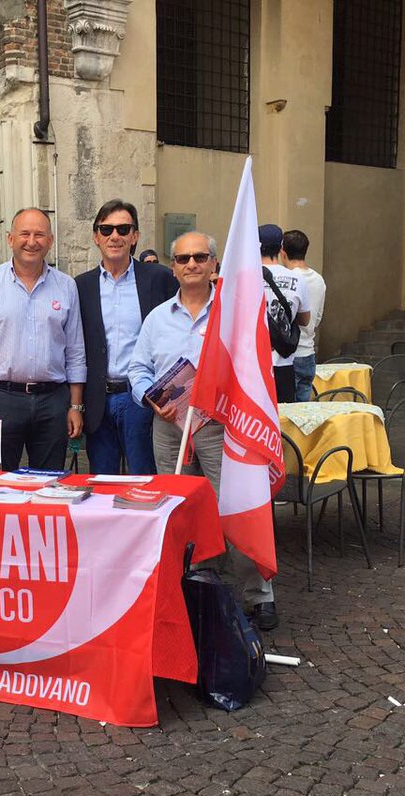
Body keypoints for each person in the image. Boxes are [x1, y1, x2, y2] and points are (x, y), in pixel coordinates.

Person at [128, 232, 279, 631]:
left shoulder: (234, 314)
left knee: (234, 506)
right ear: (172, 266)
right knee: (179, 512)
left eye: (199, 257)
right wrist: (149, 398)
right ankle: (197, 584)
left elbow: (252, 366)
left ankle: (258, 595)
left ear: (214, 263)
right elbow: (138, 369)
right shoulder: (157, 318)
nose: (191, 264)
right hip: (169, 428)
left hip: (221, 429)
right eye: (182, 258)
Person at [0, 207, 86, 471]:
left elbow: (75, 351)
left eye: (40, 234)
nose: (32, 241)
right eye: (24, 233)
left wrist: (75, 406)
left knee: (49, 483)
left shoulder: (66, 286)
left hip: (52, 402)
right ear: (10, 239)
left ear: (50, 241)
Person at [77, 199, 178, 475]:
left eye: (123, 229)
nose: (115, 236)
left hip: (140, 399)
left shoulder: (159, 279)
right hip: (98, 400)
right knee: (102, 482)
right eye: (106, 229)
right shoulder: (80, 286)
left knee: (145, 480)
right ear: (96, 236)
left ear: (134, 236)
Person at [260, 224, 310, 404]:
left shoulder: (245, 277)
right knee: (284, 421)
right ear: (281, 247)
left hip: (254, 365)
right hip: (283, 363)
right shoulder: (297, 279)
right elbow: (305, 320)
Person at [281, 230, 326, 401]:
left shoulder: (289, 280)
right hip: (308, 352)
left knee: (287, 413)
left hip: (289, 354)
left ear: (282, 252)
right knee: (302, 410)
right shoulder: (318, 279)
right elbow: (318, 317)